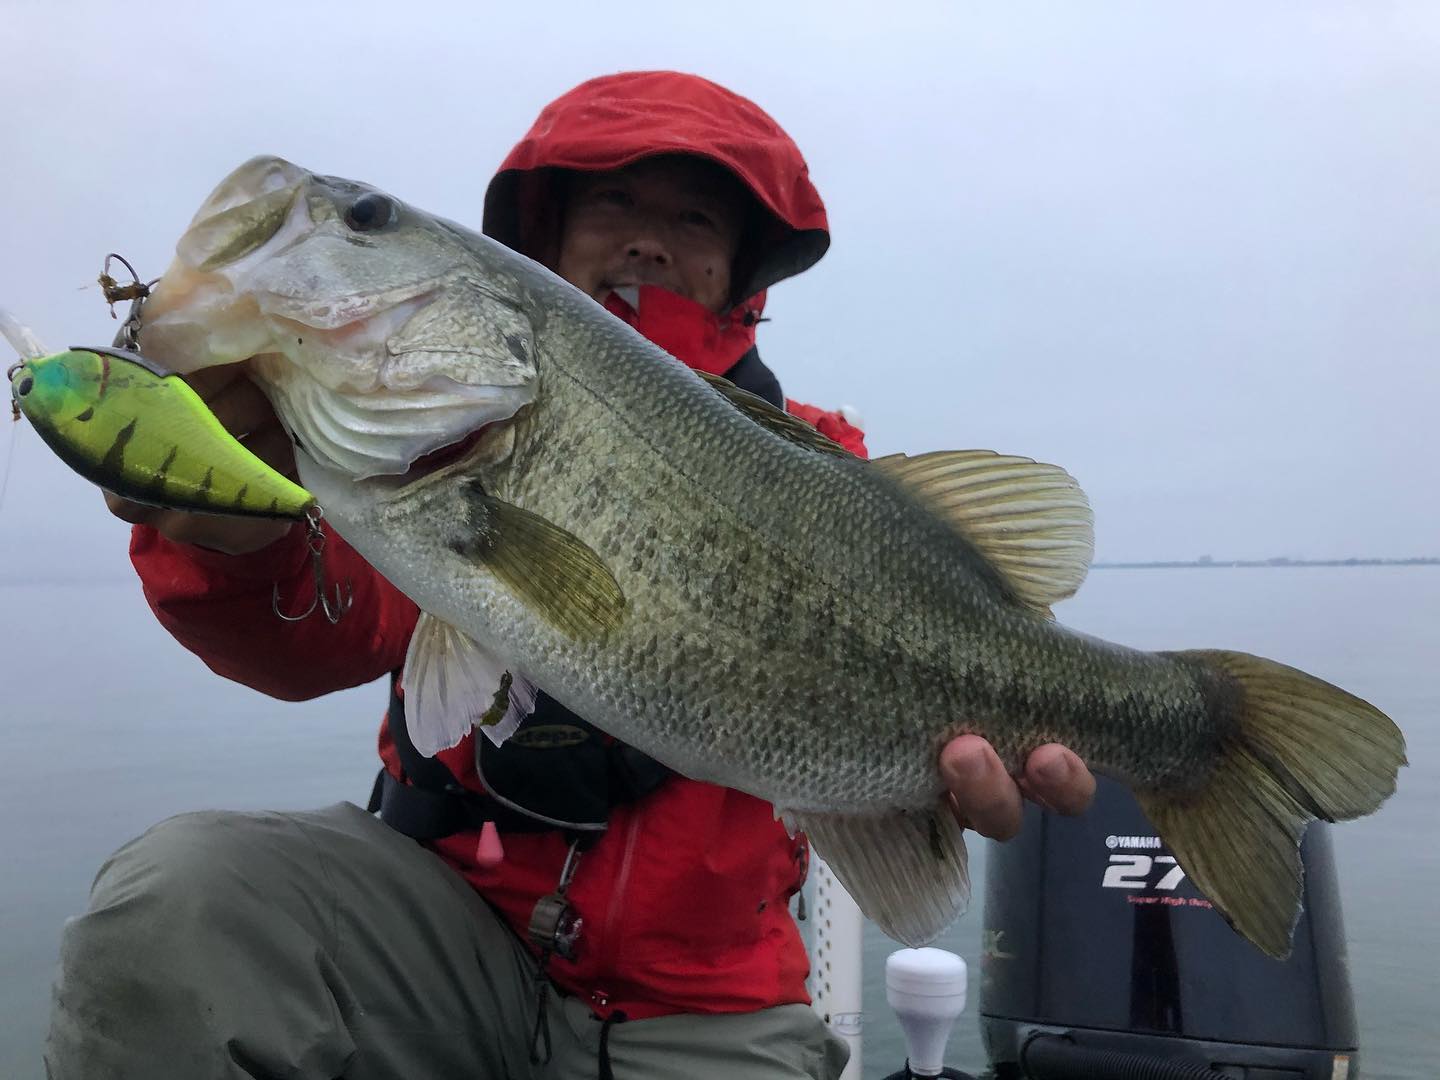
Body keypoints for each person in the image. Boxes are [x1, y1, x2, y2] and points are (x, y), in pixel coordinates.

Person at [47, 71, 1096, 1079]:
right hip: (448, 939)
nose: (649, 237)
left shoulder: (829, 470)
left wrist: (929, 778)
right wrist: (228, 528)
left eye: (695, 218)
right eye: (615, 202)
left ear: (743, 267)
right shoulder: (391, 453)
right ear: (542, 239)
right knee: (181, 902)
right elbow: (312, 637)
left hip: (711, 997)